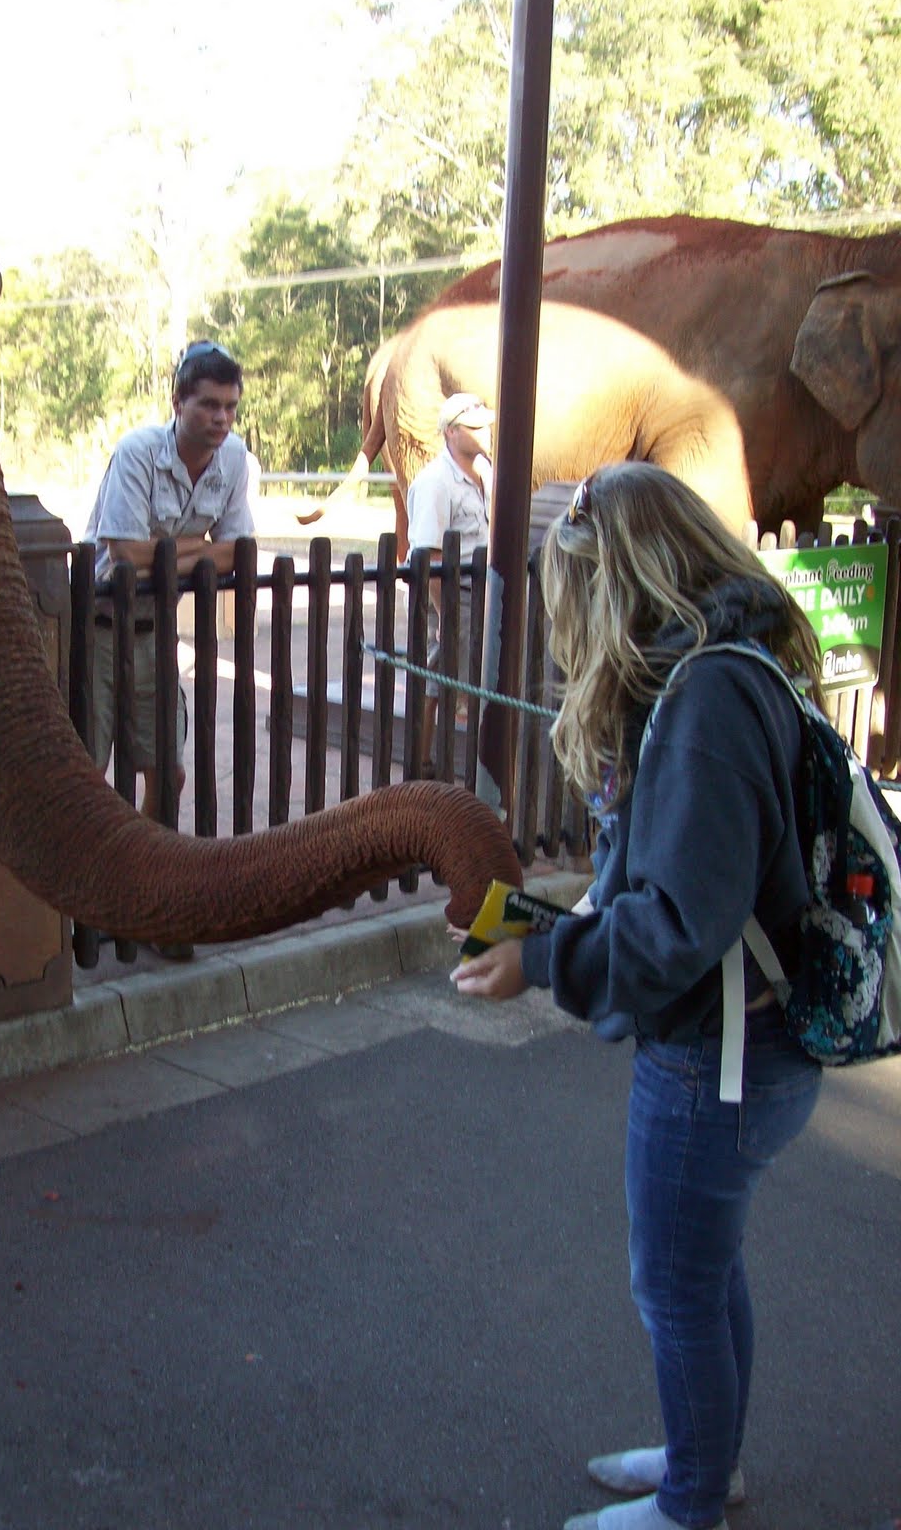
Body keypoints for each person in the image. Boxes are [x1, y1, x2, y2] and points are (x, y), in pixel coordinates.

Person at [451, 461, 823, 1530]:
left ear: (616, 582)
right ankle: (707, 1457)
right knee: (704, 1269)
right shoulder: (721, 670)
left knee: (673, 1283)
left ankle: (691, 1498)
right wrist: (547, 927)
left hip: (719, 1055)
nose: (567, 633)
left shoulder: (707, 703)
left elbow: (676, 929)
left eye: (572, 600)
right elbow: (664, 872)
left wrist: (541, 962)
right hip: (747, 1042)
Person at [84, 338, 256, 825]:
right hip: (97, 631)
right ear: (178, 402)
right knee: (87, 775)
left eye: (230, 407)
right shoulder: (138, 452)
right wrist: (200, 548)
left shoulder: (234, 458)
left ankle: (145, 858)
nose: (221, 418)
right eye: (209, 404)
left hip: (156, 633)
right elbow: (124, 553)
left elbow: (238, 552)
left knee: (168, 773)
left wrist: (163, 553)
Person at [406, 391, 494, 778]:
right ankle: (422, 765)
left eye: (485, 425)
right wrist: (445, 613)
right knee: (435, 676)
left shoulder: (486, 473)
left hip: (478, 591)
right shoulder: (435, 482)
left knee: (472, 674)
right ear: (451, 432)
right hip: (447, 592)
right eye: (474, 427)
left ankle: (470, 764)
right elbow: (427, 554)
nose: (484, 431)